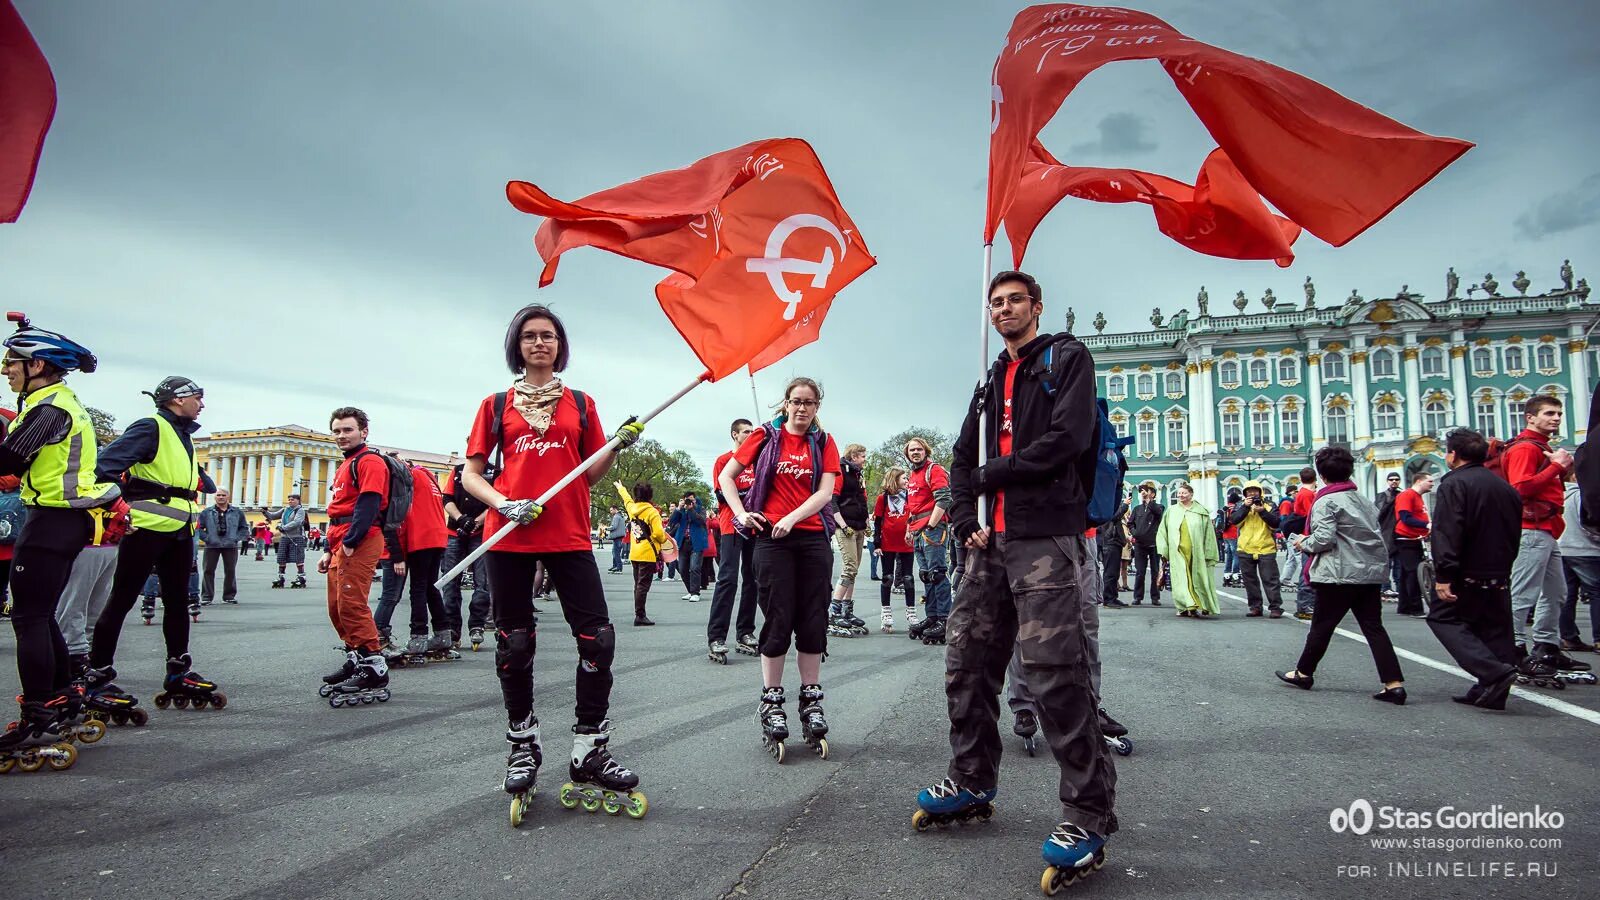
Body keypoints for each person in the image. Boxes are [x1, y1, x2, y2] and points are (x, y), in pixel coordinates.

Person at [916, 270, 1116, 883]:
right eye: (995, 302)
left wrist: (992, 473)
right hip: (987, 542)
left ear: (1036, 306)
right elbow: (958, 457)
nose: (1003, 310)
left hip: (1046, 538)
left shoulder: (1066, 358)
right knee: (967, 664)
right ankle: (972, 781)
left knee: (1055, 673)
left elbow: (1068, 439)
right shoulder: (988, 378)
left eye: (1014, 301)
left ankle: (1087, 813)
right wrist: (960, 513)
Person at [460, 304, 646, 812]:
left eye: (548, 336)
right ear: (517, 347)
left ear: (560, 345)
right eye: (530, 337)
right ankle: (523, 744)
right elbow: (471, 475)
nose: (540, 343)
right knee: (514, 642)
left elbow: (587, 474)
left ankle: (590, 748)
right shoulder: (495, 404)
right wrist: (503, 503)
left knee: (598, 640)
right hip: (510, 533)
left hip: (569, 533)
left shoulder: (581, 404)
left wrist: (615, 446)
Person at [0, 315, 121, 760]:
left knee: (28, 616)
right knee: (41, 612)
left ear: (39, 366)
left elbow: (7, 458)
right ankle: (60, 697)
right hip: (60, 519)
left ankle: (38, 711)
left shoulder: (51, 409)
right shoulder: (54, 404)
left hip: (53, 520)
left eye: (13, 360)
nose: (5, 368)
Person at [718, 377, 840, 761]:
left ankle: (811, 699)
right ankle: (771, 700)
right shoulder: (764, 437)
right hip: (771, 539)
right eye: (796, 402)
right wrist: (741, 515)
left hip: (811, 537)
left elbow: (824, 493)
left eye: (809, 403)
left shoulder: (823, 442)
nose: (802, 409)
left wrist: (793, 517)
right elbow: (727, 478)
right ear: (785, 404)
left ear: (817, 407)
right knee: (777, 617)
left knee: (813, 619)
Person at [89, 376, 222, 711]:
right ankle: (97, 674)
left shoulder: (181, 435)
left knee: (178, 601)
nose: (202, 404)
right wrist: (118, 504)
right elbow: (104, 466)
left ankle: (179, 670)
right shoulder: (151, 427)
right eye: (197, 397)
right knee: (122, 599)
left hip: (179, 530)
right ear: (177, 399)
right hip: (146, 527)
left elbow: (190, 481)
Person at [1275, 446, 1407, 704]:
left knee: (1321, 627)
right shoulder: (1363, 499)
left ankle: (1303, 673)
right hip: (1367, 572)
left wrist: (1304, 542)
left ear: (1322, 475)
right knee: (1374, 628)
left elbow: (1324, 538)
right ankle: (1394, 684)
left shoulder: (1326, 500)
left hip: (1338, 573)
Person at [1427, 429, 1525, 709]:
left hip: (1465, 569)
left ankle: (1493, 672)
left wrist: (1444, 574)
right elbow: (1514, 531)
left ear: (1453, 455)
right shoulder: (1504, 486)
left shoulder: (1454, 484)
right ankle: (1492, 691)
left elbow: (1448, 531)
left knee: (1443, 618)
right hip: (1498, 568)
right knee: (1494, 627)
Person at [317, 407, 402, 704]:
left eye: (348, 430)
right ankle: (356, 657)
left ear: (363, 431)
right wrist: (329, 550)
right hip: (341, 539)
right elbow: (338, 509)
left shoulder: (369, 462)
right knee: (336, 605)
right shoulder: (346, 465)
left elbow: (369, 502)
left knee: (352, 602)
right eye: (337, 430)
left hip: (361, 538)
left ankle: (374, 666)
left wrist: (352, 540)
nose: (341, 435)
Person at [1503, 395, 1593, 676]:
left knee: (1557, 593)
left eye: (1558, 413)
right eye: (1549, 413)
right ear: (1530, 417)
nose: (1556, 418)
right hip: (1531, 529)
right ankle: (1514, 650)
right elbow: (1518, 489)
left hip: (1546, 529)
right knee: (1523, 592)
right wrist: (1557, 467)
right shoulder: (1526, 449)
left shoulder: (1540, 447)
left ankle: (1547, 646)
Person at [706, 418, 761, 659]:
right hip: (732, 525)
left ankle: (745, 632)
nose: (749, 435)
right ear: (734, 435)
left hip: (755, 527)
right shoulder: (724, 460)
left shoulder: (758, 460)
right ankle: (717, 636)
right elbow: (722, 492)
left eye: (752, 431)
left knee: (753, 579)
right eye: (745, 432)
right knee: (728, 579)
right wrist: (748, 495)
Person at [394, 461, 452, 659]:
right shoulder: (429, 477)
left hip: (420, 537)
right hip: (437, 536)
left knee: (417, 588)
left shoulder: (408, 477)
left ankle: (418, 636)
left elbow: (402, 509)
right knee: (430, 587)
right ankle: (443, 634)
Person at [903, 436, 953, 642]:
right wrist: (909, 528)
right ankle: (932, 616)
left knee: (938, 574)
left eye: (919, 450)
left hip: (932, 529)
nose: (915, 453)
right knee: (926, 574)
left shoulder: (935, 470)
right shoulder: (913, 475)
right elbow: (911, 505)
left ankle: (944, 618)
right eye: (912, 450)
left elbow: (944, 498)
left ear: (926, 451)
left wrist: (931, 524)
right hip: (917, 529)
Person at [440, 459, 494, 648]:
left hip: (481, 533)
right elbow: (446, 498)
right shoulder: (458, 470)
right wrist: (460, 518)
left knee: (482, 581)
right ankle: (452, 628)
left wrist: (476, 522)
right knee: (450, 582)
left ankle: (477, 625)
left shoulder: (495, 472)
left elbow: (496, 502)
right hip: (455, 531)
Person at [1156, 482, 1220, 617]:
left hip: (1197, 552)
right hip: (1178, 552)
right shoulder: (1171, 511)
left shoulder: (1200, 511)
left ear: (1191, 494)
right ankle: (1185, 606)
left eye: (1184, 493)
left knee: (1199, 578)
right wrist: (1164, 549)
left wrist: (1209, 551)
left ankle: (1201, 604)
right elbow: (1163, 531)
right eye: (1179, 493)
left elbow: (1209, 534)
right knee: (1181, 579)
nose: (1180, 495)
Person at [829, 443, 870, 635]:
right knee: (849, 567)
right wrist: (842, 525)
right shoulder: (841, 472)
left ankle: (847, 609)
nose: (864, 460)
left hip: (859, 524)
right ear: (853, 456)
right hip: (845, 526)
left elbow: (862, 498)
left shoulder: (857, 474)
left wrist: (867, 520)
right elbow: (832, 500)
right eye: (862, 456)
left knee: (854, 570)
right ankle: (834, 610)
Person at [1557, 472, 1600, 653]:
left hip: (1561, 548)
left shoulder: (1559, 494)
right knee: (1597, 593)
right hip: (1586, 549)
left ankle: (1568, 636)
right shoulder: (1584, 496)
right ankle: (1599, 638)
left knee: (1567, 595)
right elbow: (1589, 525)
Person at [873, 466, 917, 633]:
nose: (907, 481)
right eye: (904, 478)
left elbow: (913, 517)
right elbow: (877, 522)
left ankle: (911, 612)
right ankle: (886, 613)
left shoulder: (910, 497)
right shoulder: (882, 499)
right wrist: (877, 544)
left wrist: (912, 531)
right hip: (887, 542)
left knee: (908, 578)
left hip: (906, 542)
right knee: (887, 577)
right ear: (895, 479)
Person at [1230, 481, 1283, 617]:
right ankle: (1255, 606)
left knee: (1270, 579)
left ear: (1260, 492)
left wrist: (1263, 511)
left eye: (1255, 490)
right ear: (1245, 493)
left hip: (1266, 548)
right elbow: (1234, 520)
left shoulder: (1269, 506)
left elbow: (1276, 523)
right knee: (1250, 581)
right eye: (1249, 491)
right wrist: (1245, 508)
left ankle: (1275, 607)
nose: (1252, 493)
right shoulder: (1240, 505)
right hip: (1245, 548)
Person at [618, 480, 666, 626]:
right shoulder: (652, 512)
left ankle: (639, 613)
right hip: (648, 553)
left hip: (635, 552)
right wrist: (663, 538)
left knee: (637, 585)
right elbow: (659, 534)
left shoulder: (632, 508)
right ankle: (640, 615)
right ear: (650, 495)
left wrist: (621, 488)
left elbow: (627, 500)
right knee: (643, 586)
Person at [197, 489, 248, 605]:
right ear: (215, 497)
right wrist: (207, 538)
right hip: (212, 545)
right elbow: (198, 528)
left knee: (230, 570)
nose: (221, 497)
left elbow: (244, 527)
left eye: (223, 495)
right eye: (218, 495)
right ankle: (207, 597)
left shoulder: (237, 512)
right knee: (208, 570)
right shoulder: (206, 512)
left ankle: (229, 596)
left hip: (230, 545)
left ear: (228, 497)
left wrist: (236, 538)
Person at [1392, 472, 1433, 617]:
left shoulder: (1418, 497)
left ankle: (1404, 606)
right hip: (1406, 539)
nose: (1432, 484)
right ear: (1419, 481)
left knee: (1405, 573)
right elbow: (1405, 518)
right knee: (1414, 573)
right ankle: (1416, 609)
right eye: (1429, 481)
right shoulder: (1407, 495)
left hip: (1415, 538)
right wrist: (1427, 524)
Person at [1287, 467, 1319, 620]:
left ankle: (1308, 603)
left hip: (1307, 536)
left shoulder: (1304, 493)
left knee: (1309, 570)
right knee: (1307, 571)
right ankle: (1305, 605)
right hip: (1307, 537)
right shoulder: (1306, 494)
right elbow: (1311, 516)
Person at [668, 492, 708, 602]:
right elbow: (672, 522)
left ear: (695, 500)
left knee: (695, 568)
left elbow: (701, 521)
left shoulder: (701, 509)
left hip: (696, 543)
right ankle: (690, 591)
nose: (689, 502)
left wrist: (691, 509)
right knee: (682, 568)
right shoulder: (682, 511)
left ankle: (695, 593)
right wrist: (678, 509)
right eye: (687, 500)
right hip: (683, 542)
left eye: (691, 500)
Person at [1128, 484, 1163, 606]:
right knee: (1140, 572)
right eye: (1141, 492)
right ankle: (1137, 597)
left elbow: (1159, 514)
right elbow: (1130, 523)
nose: (1142, 494)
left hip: (1154, 543)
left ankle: (1155, 597)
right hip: (1140, 544)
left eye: (1145, 491)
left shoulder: (1158, 507)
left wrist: (1149, 501)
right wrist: (1134, 533)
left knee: (1155, 571)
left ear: (1152, 494)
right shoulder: (1137, 509)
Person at [271, 492, 309, 588]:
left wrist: (283, 527)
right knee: (281, 557)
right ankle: (280, 577)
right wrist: (265, 512)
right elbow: (273, 516)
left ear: (298, 501)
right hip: (285, 537)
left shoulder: (300, 511)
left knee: (298, 557)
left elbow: (297, 522)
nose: (290, 501)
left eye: (292, 499)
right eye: (289, 499)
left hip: (296, 537)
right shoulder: (285, 510)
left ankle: (301, 576)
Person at [1375, 471, 1402, 597]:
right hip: (1386, 532)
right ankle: (1385, 587)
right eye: (1391, 479)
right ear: (1387, 481)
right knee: (1387, 562)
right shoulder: (1382, 496)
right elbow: (1379, 512)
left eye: (1396, 479)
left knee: (1398, 563)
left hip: (1398, 532)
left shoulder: (1401, 494)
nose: (1394, 481)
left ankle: (1399, 587)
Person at [1099, 496, 1129, 608]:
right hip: (1109, 541)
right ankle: (1108, 599)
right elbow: (1114, 517)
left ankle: (1113, 597)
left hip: (1114, 541)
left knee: (1114, 572)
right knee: (1110, 572)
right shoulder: (1106, 507)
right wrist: (1124, 505)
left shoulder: (1110, 505)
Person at [1217, 488, 1241, 587]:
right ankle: (1236, 574)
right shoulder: (1235, 509)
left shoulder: (1225, 509)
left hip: (1225, 535)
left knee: (1229, 555)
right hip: (1234, 534)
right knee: (1236, 555)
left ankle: (1227, 574)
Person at [605, 505, 627, 573]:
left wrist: (606, 528)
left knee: (616, 552)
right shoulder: (621, 516)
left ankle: (618, 567)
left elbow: (614, 527)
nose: (611, 512)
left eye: (611, 510)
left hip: (617, 537)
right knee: (615, 552)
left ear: (615, 509)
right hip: (620, 537)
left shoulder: (616, 517)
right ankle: (615, 566)